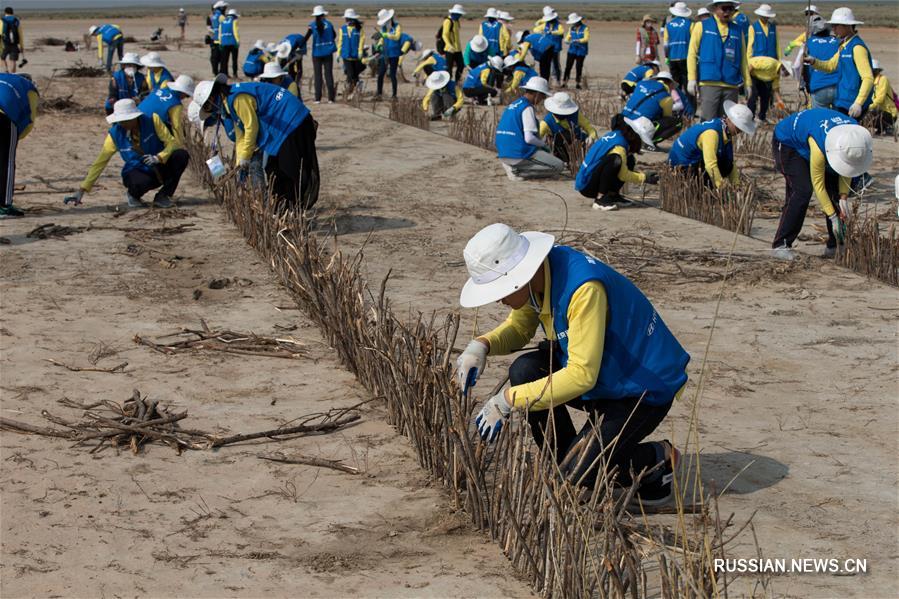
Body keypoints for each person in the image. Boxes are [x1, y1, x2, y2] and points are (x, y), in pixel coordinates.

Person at [456, 223, 689, 505]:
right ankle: (566, 466)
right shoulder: (541, 278)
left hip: (641, 388)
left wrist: (506, 401)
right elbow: (519, 329)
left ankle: (658, 457)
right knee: (525, 371)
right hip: (605, 374)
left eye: (500, 291)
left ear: (520, 275)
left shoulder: (583, 288)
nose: (500, 300)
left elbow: (581, 376)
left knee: (580, 473)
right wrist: (481, 345)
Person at [192, 75, 319, 210]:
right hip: (277, 129)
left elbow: (251, 127)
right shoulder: (228, 106)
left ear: (211, 98)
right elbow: (241, 136)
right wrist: (240, 163)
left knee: (285, 171)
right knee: (272, 169)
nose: (210, 111)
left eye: (207, 107)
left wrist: (245, 158)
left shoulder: (235, 98)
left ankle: (287, 208)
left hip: (291, 122)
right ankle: (278, 208)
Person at [771, 108, 873, 260]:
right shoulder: (820, 146)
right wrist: (833, 217)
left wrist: (843, 197)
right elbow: (818, 185)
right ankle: (781, 244)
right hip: (788, 143)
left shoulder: (854, 135)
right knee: (802, 191)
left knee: (835, 193)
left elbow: (846, 171)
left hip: (813, 139)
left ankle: (835, 245)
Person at [67, 99, 188, 209]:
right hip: (137, 170)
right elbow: (100, 163)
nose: (122, 124)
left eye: (125, 120)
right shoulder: (115, 134)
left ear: (134, 117)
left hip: (160, 164)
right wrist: (82, 190)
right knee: (139, 182)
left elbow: (172, 143)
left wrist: (159, 157)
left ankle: (163, 196)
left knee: (181, 155)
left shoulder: (153, 120)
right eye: (120, 121)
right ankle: (133, 196)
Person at [575, 114, 658, 210]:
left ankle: (612, 195)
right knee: (615, 160)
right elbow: (622, 174)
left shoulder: (618, 135)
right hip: (587, 185)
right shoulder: (619, 148)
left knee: (630, 160)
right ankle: (601, 199)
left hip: (591, 178)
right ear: (636, 137)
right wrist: (644, 177)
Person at [668, 100, 756, 188]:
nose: (739, 131)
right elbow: (710, 164)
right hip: (682, 166)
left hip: (694, 160)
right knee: (715, 171)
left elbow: (730, 162)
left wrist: (737, 186)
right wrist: (722, 187)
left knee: (726, 164)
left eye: (741, 128)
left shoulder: (723, 127)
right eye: (738, 126)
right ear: (729, 120)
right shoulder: (712, 133)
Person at [687, 0, 751, 121]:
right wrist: (691, 79)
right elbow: (692, 54)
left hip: (731, 84)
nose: (727, 12)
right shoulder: (701, 26)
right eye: (724, 8)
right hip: (709, 83)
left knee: (727, 125)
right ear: (716, 8)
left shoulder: (738, 30)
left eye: (730, 9)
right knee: (708, 123)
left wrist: (748, 83)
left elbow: (743, 58)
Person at [805, 7, 874, 120]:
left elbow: (868, 78)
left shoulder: (857, 47)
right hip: (842, 100)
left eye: (836, 25)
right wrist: (814, 61)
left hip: (852, 103)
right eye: (833, 25)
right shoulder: (843, 46)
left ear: (847, 26)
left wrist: (858, 103)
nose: (833, 29)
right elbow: (831, 65)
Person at [495, 77, 564, 181]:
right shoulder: (527, 108)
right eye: (543, 95)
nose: (543, 99)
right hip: (517, 153)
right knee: (558, 166)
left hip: (503, 152)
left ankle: (513, 166)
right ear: (537, 94)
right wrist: (543, 145)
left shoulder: (514, 104)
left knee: (546, 159)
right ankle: (518, 171)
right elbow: (529, 138)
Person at [0, 72, 37, 218]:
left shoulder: (2, 77)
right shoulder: (29, 88)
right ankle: (5, 205)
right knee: (6, 162)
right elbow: (29, 120)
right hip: (3, 118)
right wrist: (15, 139)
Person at [621, 71, 685, 145]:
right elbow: (667, 117)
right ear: (670, 84)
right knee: (677, 123)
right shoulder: (666, 97)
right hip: (638, 126)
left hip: (622, 120)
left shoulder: (641, 83)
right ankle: (648, 143)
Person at [538, 91, 597, 164]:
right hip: (559, 148)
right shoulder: (546, 122)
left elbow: (590, 129)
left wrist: (591, 137)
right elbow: (535, 139)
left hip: (578, 142)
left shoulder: (576, 115)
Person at [138, 74, 195, 145]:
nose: (185, 98)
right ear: (183, 92)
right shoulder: (175, 104)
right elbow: (176, 126)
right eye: (187, 95)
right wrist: (180, 144)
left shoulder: (159, 90)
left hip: (137, 117)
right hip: (147, 126)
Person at [302, 5, 337, 104]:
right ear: (323, 15)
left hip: (317, 53)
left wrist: (299, 45)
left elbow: (306, 38)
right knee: (329, 74)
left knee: (318, 76)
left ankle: (318, 98)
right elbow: (334, 35)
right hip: (328, 52)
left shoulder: (312, 25)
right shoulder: (329, 24)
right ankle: (331, 98)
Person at [804, 16, 840, 109]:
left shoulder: (809, 43)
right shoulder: (838, 41)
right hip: (838, 86)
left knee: (821, 119)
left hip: (818, 86)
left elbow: (805, 68)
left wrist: (806, 86)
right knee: (839, 119)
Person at [664, 3, 692, 97]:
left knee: (675, 85)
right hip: (686, 58)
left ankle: (677, 107)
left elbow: (665, 44)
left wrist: (667, 56)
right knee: (688, 84)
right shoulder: (690, 24)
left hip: (672, 58)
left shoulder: (668, 25)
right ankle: (690, 107)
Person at [337, 9, 365, 96]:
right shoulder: (342, 29)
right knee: (350, 74)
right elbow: (340, 41)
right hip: (346, 55)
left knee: (354, 74)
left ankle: (354, 89)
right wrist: (338, 53)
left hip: (356, 55)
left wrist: (360, 51)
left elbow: (361, 41)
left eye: (348, 18)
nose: (347, 20)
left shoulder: (359, 29)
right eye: (346, 18)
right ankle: (350, 90)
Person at [376, 8, 402, 99]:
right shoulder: (383, 28)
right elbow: (381, 39)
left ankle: (394, 95)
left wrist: (387, 35)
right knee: (381, 74)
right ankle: (379, 94)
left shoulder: (397, 26)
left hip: (394, 54)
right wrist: (379, 45)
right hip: (385, 54)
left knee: (392, 74)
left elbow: (397, 37)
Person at [536, 7, 564, 85]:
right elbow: (536, 28)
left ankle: (557, 80)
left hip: (555, 48)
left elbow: (561, 31)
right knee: (547, 63)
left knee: (555, 64)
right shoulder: (545, 24)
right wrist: (542, 30)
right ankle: (547, 80)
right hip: (547, 47)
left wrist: (552, 32)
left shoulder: (558, 24)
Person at [870, 60, 897, 135]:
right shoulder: (871, 81)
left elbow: (879, 99)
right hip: (879, 111)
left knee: (867, 114)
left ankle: (888, 127)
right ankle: (881, 128)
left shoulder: (883, 79)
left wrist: (867, 107)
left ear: (876, 70)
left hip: (889, 113)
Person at [440, 4, 465, 82]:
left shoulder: (456, 21)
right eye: (459, 14)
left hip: (458, 49)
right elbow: (444, 35)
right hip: (449, 49)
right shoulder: (448, 21)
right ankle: (448, 84)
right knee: (449, 68)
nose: (460, 16)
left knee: (461, 65)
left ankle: (457, 82)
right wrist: (449, 45)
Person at [563, 13, 588, 90]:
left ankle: (578, 83)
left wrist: (578, 40)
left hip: (581, 51)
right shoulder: (571, 29)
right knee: (568, 66)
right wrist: (567, 41)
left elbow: (586, 38)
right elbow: (567, 37)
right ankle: (565, 82)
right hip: (572, 50)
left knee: (579, 67)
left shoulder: (585, 28)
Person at [217, 8, 240, 77]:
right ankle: (235, 74)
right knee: (234, 60)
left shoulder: (222, 22)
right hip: (233, 43)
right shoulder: (234, 21)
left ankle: (225, 74)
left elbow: (220, 33)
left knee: (224, 60)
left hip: (224, 43)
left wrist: (220, 43)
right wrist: (237, 42)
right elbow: (235, 32)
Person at [206, 1, 226, 76]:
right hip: (213, 39)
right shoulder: (211, 16)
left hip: (221, 40)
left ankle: (221, 72)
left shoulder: (221, 16)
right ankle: (215, 72)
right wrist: (215, 31)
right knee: (215, 57)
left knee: (222, 58)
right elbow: (208, 28)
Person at [1, 7, 23, 74]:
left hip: (4, 43)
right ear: (12, 12)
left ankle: (6, 71)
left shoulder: (2, 20)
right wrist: (22, 46)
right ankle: (12, 74)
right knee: (13, 60)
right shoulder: (16, 20)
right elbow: (20, 34)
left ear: (5, 12)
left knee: (2, 58)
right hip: (14, 44)